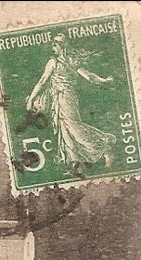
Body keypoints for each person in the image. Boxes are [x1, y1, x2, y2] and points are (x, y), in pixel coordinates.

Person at [26, 33, 116, 175]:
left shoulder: (56, 62)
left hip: (66, 97)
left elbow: (43, 81)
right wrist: (103, 80)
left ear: (62, 46)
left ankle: (103, 147)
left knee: (73, 126)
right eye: (53, 44)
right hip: (60, 98)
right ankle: (75, 164)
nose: (53, 46)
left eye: (55, 44)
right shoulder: (67, 61)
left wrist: (31, 99)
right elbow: (89, 76)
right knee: (64, 128)